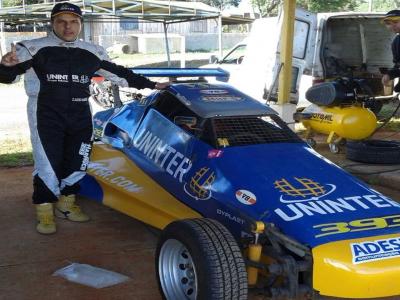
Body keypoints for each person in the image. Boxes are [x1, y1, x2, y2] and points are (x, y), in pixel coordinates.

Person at [0, 2, 169, 235]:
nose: (68, 27)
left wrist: (154, 85)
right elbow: (7, 78)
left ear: (80, 24)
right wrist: (5, 66)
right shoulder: (31, 48)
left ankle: (66, 205)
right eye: (61, 21)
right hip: (46, 113)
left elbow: (120, 74)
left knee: (79, 158)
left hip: (80, 114)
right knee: (47, 161)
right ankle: (45, 209)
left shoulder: (92, 51)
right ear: (52, 24)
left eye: (73, 22)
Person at [382, 9, 400, 91]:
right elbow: (398, 66)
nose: (392, 25)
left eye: (396, 22)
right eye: (388, 23)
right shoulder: (396, 42)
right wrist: (389, 75)